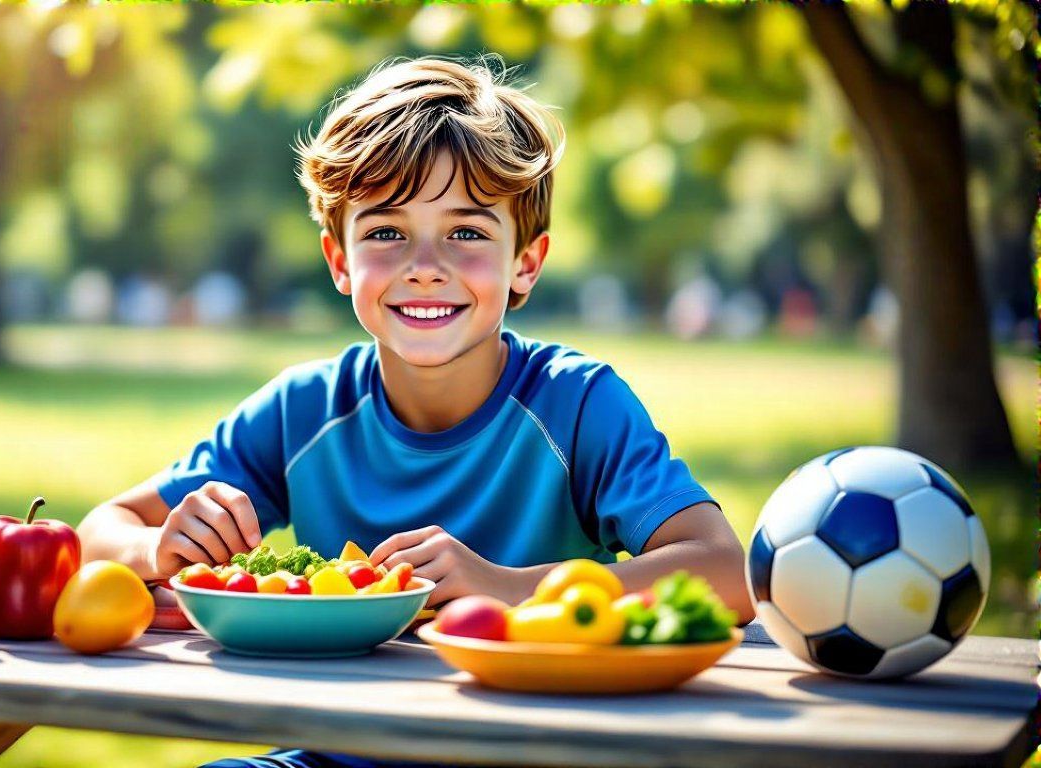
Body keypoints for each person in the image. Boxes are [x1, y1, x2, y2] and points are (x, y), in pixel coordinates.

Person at [76, 55, 754, 768]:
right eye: (386, 232)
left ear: (526, 261)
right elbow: (99, 533)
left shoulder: (577, 404)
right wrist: (160, 550)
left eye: (465, 232)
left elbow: (724, 571)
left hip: (541, 752)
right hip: (339, 754)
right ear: (339, 261)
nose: (424, 264)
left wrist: (508, 589)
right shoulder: (304, 412)